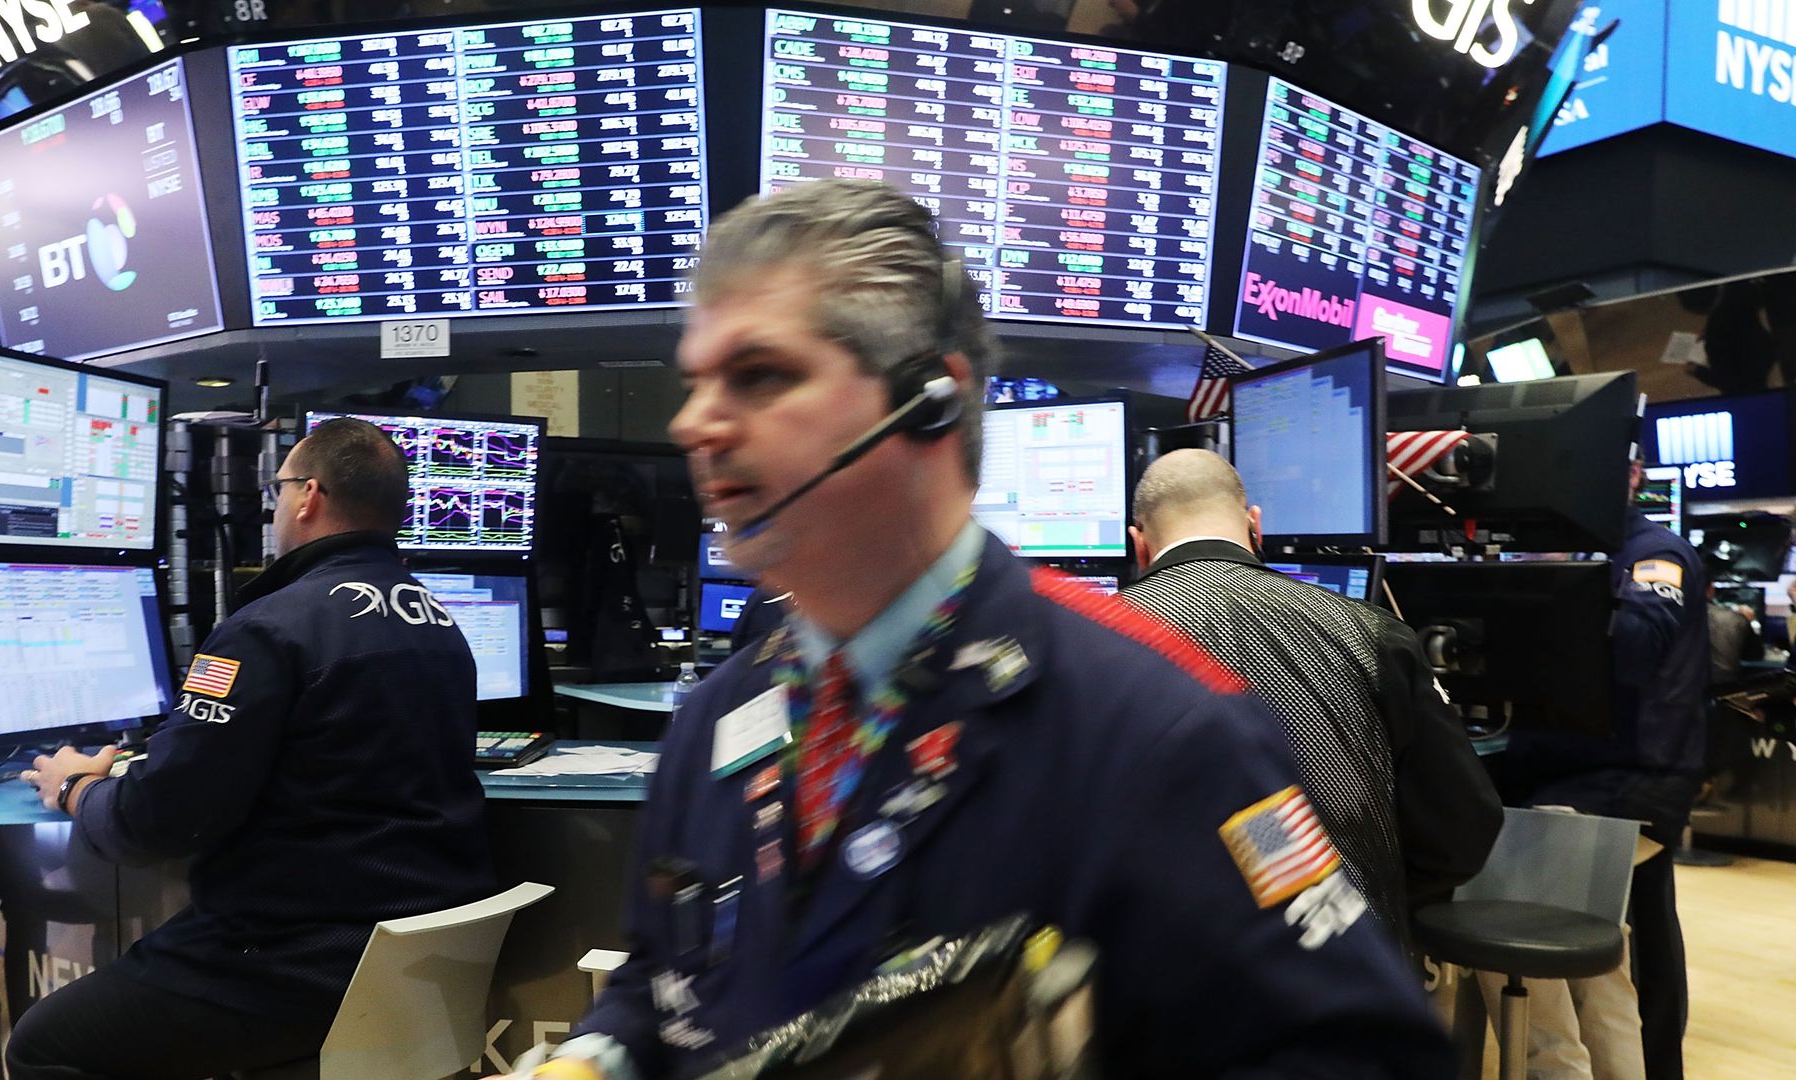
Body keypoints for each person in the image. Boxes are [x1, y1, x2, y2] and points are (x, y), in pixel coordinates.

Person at [516, 180, 1452, 1080]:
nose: (695, 423)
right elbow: (661, 980)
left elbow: (1362, 1055)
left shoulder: (1151, 725)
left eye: (760, 375)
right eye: (696, 381)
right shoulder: (721, 715)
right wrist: (592, 1059)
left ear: (931, 400)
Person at [8, 418, 495, 1079]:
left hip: (289, 963)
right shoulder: (439, 624)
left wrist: (78, 789)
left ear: (308, 495)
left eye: (278, 488)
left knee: (44, 1048)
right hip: (413, 959)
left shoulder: (267, 628)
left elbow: (158, 820)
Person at [1118, 449, 1502, 931]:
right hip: (1347, 977)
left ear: (1140, 546)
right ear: (1256, 527)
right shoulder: (1372, 633)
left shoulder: (1085, 647)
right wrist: (1371, 902)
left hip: (1159, 985)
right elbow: (1463, 832)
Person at [1497, 456, 1711, 1080]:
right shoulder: (1577, 552)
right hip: (1600, 772)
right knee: (1642, 938)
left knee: (1524, 914)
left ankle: (1565, 1066)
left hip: (1629, 780)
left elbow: (1642, 642)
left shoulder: (1653, 553)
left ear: (1633, 476)